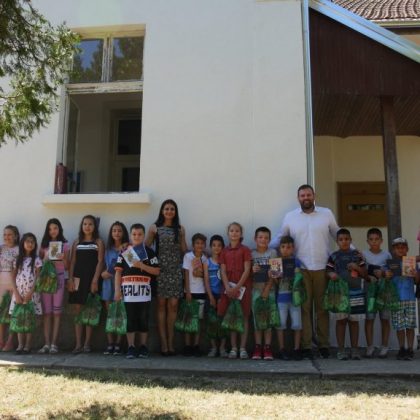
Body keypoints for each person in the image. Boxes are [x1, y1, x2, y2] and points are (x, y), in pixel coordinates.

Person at [271, 184, 339, 359]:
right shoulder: (290, 217)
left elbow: (337, 234)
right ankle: (306, 346)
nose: (306, 198)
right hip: (300, 270)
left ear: (314, 195)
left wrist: (353, 251)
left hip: (322, 267)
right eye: (302, 195)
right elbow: (280, 238)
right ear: (298, 198)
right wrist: (264, 250)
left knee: (322, 308)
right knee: (304, 308)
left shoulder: (326, 214)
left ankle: (324, 345)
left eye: (308, 195)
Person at [145, 199, 187, 356]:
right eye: (166, 208)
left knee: (174, 305)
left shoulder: (180, 229)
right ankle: (164, 343)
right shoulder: (155, 227)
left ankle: (171, 341)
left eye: (172, 209)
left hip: (175, 270)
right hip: (160, 270)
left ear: (175, 212)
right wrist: (150, 234)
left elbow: (184, 251)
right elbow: (146, 248)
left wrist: (183, 237)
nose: (169, 211)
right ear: (162, 211)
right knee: (161, 306)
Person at [114, 223, 160, 359]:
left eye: (140, 234)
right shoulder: (125, 252)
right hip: (128, 293)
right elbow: (118, 272)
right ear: (130, 235)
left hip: (144, 293)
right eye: (134, 234)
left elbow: (157, 271)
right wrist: (117, 291)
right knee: (130, 320)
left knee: (143, 320)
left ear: (144, 235)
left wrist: (141, 266)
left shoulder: (149, 252)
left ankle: (143, 346)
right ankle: (131, 347)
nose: (137, 237)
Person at [326, 228, 367, 360]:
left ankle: (355, 350)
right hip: (340, 294)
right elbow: (327, 271)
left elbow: (365, 273)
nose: (344, 241)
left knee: (354, 322)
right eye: (341, 239)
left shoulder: (357, 255)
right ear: (337, 241)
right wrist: (331, 274)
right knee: (341, 321)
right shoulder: (333, 256)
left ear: (351, 240)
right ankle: (341, 350)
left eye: (346, 239)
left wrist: (357, 267)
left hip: (356, 292)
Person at [68, 215, 104, 353]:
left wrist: (95, 280)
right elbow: (72, 262)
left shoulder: (98, 242)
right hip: (78, 279)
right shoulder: (76, 242)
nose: (87, 226)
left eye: (90, 224)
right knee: (78, 310)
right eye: (85, 224)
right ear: (81, 226)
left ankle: (87, 343)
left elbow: (100, 262)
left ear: (95, 227)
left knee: (90, 310)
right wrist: (70, 279)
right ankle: (78, 343)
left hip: (91, 279)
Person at [218, 222, 252, 359]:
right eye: (231, 230)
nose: (234, 233)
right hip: (228, 289)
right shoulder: (224, 251)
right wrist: (228, 287)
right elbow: (223, 270)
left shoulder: (245, 250)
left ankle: (242, 348)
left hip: (243, 288)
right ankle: (233, 347)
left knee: (244, 316)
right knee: (231, 316)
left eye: (237, 231)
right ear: (228, 233)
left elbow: (247, 269)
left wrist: (237, 287)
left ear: (241, 233)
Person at [38, 219, 70, 354]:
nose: (53, 231)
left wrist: (63, 258)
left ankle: (54, 344)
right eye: (50, 229)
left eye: (55, 228)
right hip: (46, 279)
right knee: (47, 313)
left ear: (59, 229)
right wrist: (45, 258)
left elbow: (67, 266)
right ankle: (46, 343)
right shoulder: (43, 246)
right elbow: (39, 265)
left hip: (59, 278)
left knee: (57, 312)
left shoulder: (65, 245)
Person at [385, 237, 419, 361]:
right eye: (397, 247)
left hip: (410, 297)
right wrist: (387, 275)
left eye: (403, 247)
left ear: (407, 249)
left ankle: (410, 349)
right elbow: (386, 278)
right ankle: (401, 348)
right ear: (393, 250)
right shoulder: (389, 264)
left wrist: (415, 274)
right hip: (396, 298)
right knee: (399, 326)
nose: (400, 249)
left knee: (410, 325)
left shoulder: (412, 262)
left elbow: (417, 281)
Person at [10, 233, 43, 354]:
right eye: (27, 241)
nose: (30, 244)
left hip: (31, 295)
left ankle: (27, 346)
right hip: (19, 294)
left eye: (32, 242)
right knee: (20, 318)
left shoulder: (37, 260)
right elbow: (12, 277)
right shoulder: (17, 259)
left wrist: (31, 292)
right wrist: (16, 293)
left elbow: (38, 278)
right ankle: (20, 345)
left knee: (29, 319)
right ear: (22, 243)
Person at [362, 227, 392, 358]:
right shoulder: (363, 255)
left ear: (381, 240)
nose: (374, 242)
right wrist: (369, 275)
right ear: (367, 241)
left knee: (385, 318)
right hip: (370, 292)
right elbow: (361, 271)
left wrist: (385, 273)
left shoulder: (387, 255)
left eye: (377, 239)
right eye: (371, 239)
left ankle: (384, 346)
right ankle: (370, 346)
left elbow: (391, 272)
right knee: (369, 318)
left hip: (384, 292)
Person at [101, 221, 129, 356]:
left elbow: (131, 264)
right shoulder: (107, 249)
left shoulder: (128, 248)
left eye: (119, 230)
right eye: (114, 230)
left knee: (121, 314)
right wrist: (102, 273)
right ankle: (110, 343)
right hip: (108, 284)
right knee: (110, 314)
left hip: (122, 283)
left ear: (123, 233)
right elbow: (102, 265)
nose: (116, 233)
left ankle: (118, 343)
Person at [273, 236, 303, 361]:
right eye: (283, 247)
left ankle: (296, 349)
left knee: (297, 324)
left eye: (289, 247)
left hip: (295, 298)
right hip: (281, 297)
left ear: (293, 248)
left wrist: (298, 273)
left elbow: (301, 280)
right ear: (279, 248)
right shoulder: (276, 262)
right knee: (281, 324)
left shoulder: (297, 262)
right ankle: (282, 349)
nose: (285, 249)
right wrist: (276, 277)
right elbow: (275, 283)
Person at [250, 227, 277, 361]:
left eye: (266, 238)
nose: (263, 240)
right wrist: (252, 270)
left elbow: (277, 273)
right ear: (255, 239)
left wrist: (268, 287)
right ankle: (257, 347)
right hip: (255, 290)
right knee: (257, 320)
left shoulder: (273, 252)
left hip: (270, 291)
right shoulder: (251, 254)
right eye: (260, 237)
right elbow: (246, 274)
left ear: (269, 240)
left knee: (268, 320)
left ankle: (267, 347)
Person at [182, 233, 209, 357]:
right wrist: (187, 292)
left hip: (201, 292)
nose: (200, 245)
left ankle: (196, 345)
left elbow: (206, 276)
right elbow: (186, 275)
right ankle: (187, 345)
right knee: (188, 319)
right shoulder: (188, 256)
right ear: (193, 245)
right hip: (190, 292)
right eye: (197, 243)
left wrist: (201, 273)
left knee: (198, 320)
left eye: (202, 243)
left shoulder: (205, 258)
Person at [205, 234, 227, 358]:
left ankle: (222, 347)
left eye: (219, 245)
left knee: (223, 322)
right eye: (214, 245)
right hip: (211, 295)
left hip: (223, 295)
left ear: (222, 247)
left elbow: (226, 280)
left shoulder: (225, 262)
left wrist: (222, 297)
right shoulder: (207, 262)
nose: (216, 248)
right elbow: (206, 281)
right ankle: (213, 347)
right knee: (211, 322)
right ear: (210, 247)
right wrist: (211, 297)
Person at [0, 225, 19, 352]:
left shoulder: (19, 249)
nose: (7, 237)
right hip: (1, 283)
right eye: (5, 234)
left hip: (14, 283)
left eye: (10, 234)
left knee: (13, 313)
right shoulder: (1, 248)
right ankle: (1, 340)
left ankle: (10, 341)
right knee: (1, 312)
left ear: (15, 236)